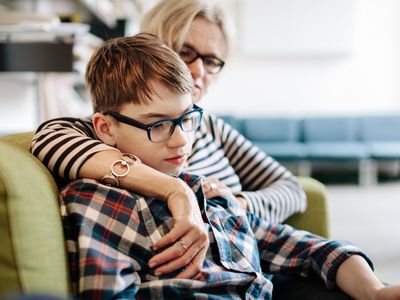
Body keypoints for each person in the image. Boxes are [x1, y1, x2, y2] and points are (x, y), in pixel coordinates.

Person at [60, 33, 400, 300]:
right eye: (157, 125)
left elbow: (311, 249)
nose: (181, 141)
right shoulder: (100, 202)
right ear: (105, 128)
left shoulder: (207, 192)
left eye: (187, 119)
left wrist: (375, 291)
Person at [32, 0, 306, 278]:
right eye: (186, 52)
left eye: (211, 60)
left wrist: (236, 203)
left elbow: (291, 189)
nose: (198, 70)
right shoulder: (112, 130)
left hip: (257, 261)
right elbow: (49, 140)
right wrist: (178, 190)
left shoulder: (211, 126)